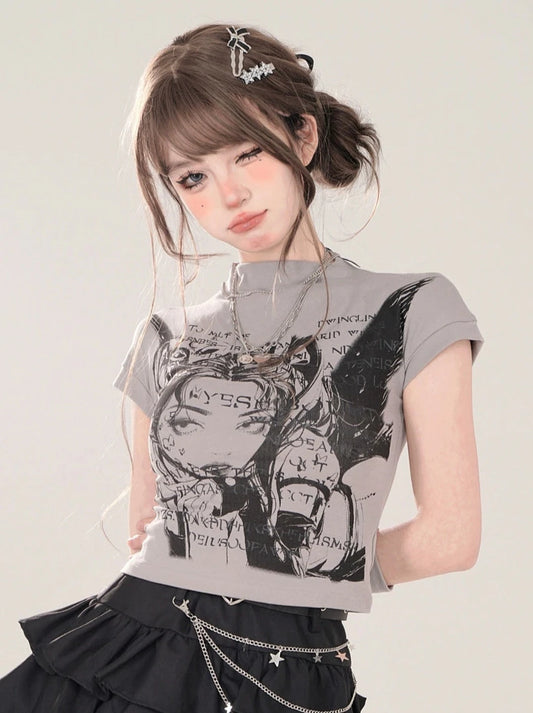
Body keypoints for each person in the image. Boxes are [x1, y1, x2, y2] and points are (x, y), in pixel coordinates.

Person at [0, 22, 484, 713]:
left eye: (247, 153)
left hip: (290, 665)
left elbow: (449, 538)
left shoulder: (412, 308)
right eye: (193, 177)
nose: (228, 196)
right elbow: (153, 528)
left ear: (302, 137)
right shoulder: (165, 334)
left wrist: (314, 562)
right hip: (136, 643)